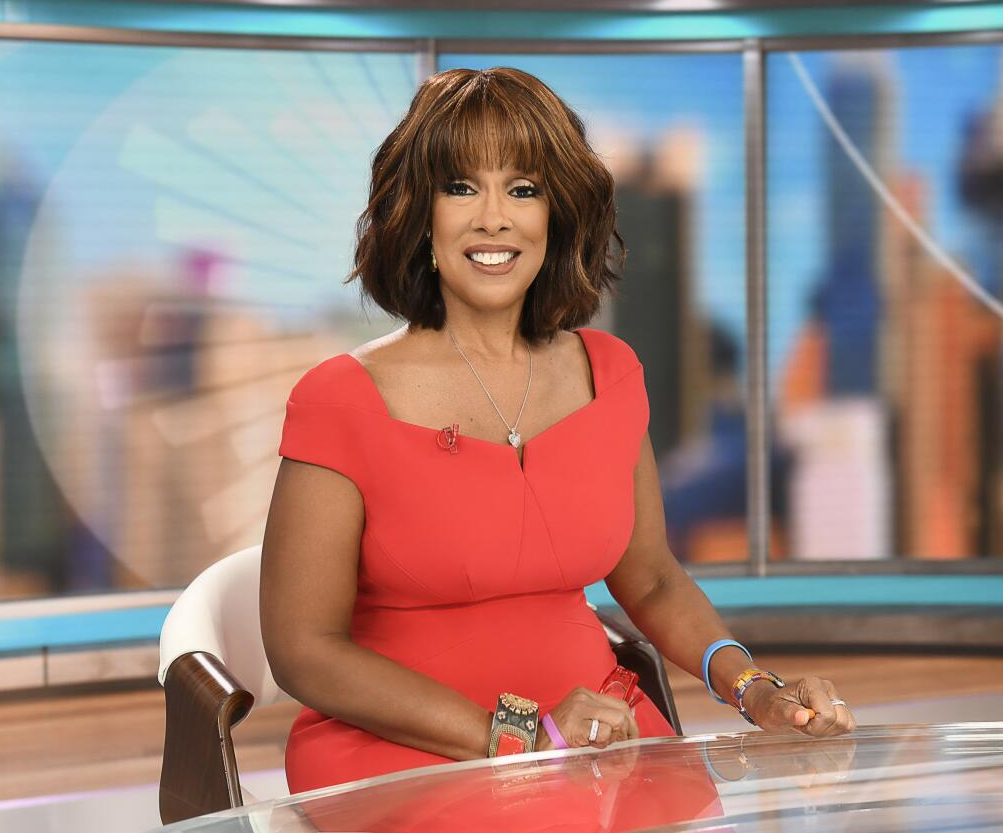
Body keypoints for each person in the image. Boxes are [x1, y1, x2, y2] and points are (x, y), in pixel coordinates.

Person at [261, 66, 855, 796]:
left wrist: (755, 688)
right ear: (419, 212)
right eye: (460, 187)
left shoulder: (611, 372)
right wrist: (516, 736)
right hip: (403, 751)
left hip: (598, 736)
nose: (493, 218)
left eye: (523, 188)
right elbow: (303, 650)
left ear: (557, 212)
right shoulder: (339, 399)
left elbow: (655, 578)